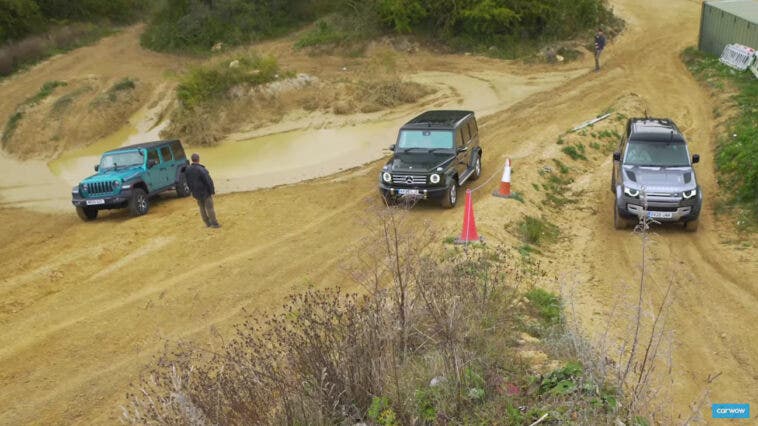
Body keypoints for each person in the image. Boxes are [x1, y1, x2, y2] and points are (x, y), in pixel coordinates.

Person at [185, 153, 221, 228]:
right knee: (209, 208)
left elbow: (188, 181)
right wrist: (212, 190)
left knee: (202, 207)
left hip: (196, 192)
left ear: (192, 159)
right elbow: (208, 181)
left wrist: (191, 191)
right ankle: (214, 223)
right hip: (204, 192)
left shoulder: (188, 169)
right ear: (198, 159)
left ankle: (207, 223)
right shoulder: (201, 169)